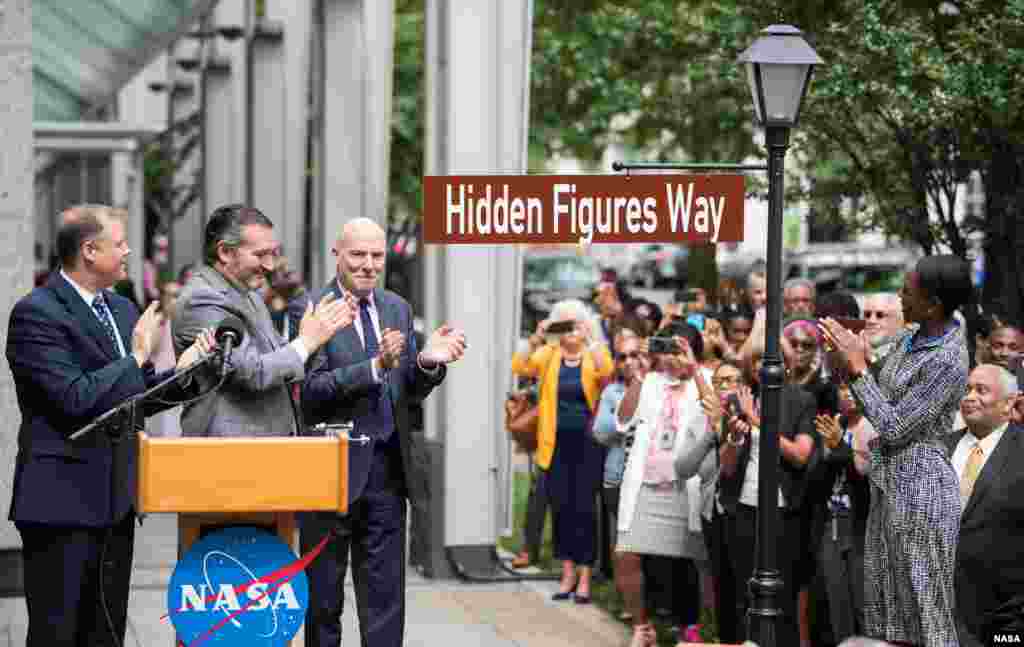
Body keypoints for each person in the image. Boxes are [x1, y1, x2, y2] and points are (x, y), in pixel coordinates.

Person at [5, 204, 214, 647]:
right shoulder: (36, 313)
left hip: (115, 500)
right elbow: (74, 398)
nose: (127, 251)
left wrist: (186, 371)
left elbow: (132, 397)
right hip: (60, 502)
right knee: (57, 633)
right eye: (119, 243)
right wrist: (137, 356)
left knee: (107, 632)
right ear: (89, 250)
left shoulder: (120, 308)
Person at [300, 217, 466, 647]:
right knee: (323, 602)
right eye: (358, 254)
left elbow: (405, 389)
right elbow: (309, 392)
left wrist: (427, 362)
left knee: (386, 601)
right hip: (330, 476)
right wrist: (375, 367)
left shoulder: (397, 307)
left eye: (377, 255)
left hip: (389, 474)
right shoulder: (312, 308)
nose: (369, 264)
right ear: (337, 254)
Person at [820, 254, 973, 647]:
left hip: (922, 490)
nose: (900, 298)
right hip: (888, 484)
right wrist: (846, 358)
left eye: (907, 291)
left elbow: (895, 425)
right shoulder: (910, 338)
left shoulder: (948, 358)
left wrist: (857, 368)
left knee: (927, 614)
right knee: (887, 615)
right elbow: (878, 395)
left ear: (934, 302)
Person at [172, 204, 353, 438]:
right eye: (260, 255)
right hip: (228, 454)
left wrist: (316, 335)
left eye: (273, 253)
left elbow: (284, 364)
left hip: (267, 448)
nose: (270, 266)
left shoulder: (249, 295)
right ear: (225, 252)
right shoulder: (201, 299)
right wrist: (307, 342)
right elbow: (252, 372)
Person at [612, 324, 711, 647]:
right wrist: (640, 375)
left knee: (696, 559)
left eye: (678, 350)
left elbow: (716, 415)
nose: (671, 358)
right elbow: (622, 419)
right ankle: (642, 627)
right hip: (647, 484)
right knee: (627, 553)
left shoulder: (705, 378)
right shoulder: (651, 382)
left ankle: (696, 629)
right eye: (666, 350)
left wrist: (694, 370)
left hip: (689, 485)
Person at [717, 336, 817, 647]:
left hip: (782, 510)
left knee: (782, 595)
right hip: (744, 505)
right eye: (757, 360)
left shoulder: (800, 400)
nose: (764, 367)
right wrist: (734, 438)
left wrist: (757, 420)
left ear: (785, 366)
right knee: (743, 592)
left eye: (770, 360)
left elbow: (801, 455)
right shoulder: (739, 399)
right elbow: (727, 468)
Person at [512, 299, 613, 604]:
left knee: (584, 511)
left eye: (575, 324)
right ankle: (567, 572)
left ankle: (584, 577)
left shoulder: (593, 354)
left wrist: (591, 338)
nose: (570, 331)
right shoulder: (550, 355)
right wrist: (537, 336)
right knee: (561, 509)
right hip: (554, 445)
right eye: (564, 324)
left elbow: (606, 369)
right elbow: (520, 365)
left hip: (587, 445)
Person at [945, 364, 1024, 647]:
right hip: (940, 609)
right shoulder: (940, 447)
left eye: (981, 390)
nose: (970, 396)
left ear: (1008, 404)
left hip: (1005, 614)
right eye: (967, 389)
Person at [807, 383, 876, 645]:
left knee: (864, 606)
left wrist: (841, 449)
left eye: (854, 386)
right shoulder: (833, 425)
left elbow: (869, 479)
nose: (848, 393)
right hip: (832, 523)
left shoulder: (873, 426)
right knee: (838, 607)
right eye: (843, 388)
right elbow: (814, 483)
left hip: (863, 526)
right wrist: (826, 452)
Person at [592, 332, 649, 613]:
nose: (628, 362)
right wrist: (622, 417)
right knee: (623, 542)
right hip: (617, 477)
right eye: (622, 357)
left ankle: (652, 603)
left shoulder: (659, 387)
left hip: (651, 480)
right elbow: (601, 433)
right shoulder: (611, 392)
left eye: (634, 355)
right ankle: (627, 601)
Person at [146, 280, 184, 437]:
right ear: (163, 298)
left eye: (178, 295)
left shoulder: (182, 322)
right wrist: (163, 317)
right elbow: (147, 349)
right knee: (162, 432)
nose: (176, 300)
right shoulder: (156, 321)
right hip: (159, 383)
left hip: (179, 380)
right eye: (172, 295)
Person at [862, 294, 905, 363]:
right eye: (867, 314)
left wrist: (870, 359)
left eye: (880, 315)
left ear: (899, 321)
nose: (871, 321)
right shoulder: (856, 349)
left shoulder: (906, 354)